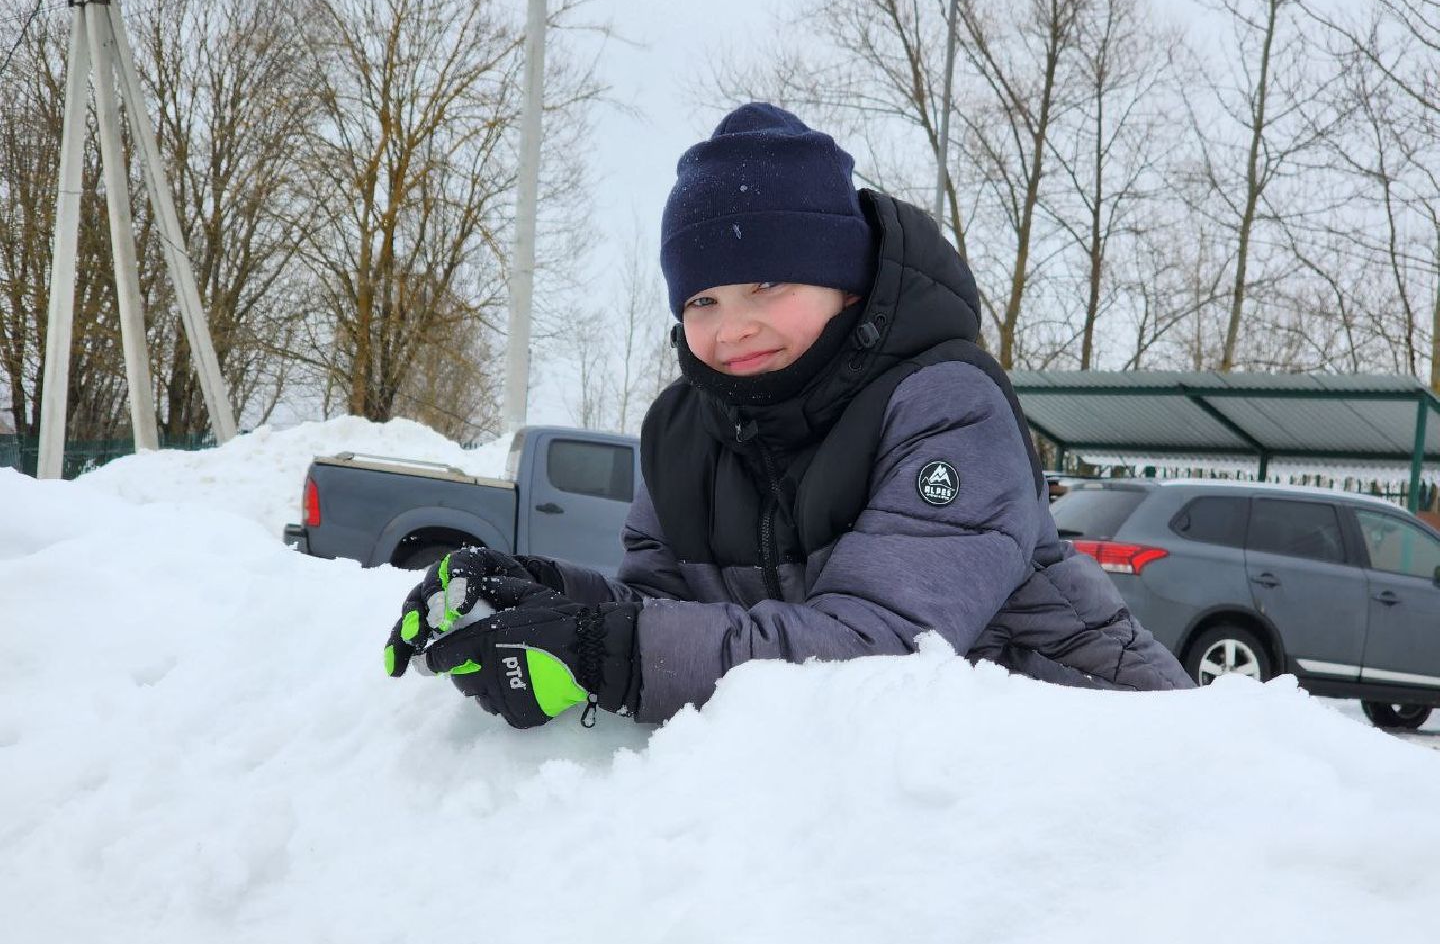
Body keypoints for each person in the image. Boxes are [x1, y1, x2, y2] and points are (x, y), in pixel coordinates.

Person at [384, 102, 1193, 728]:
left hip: (1103, 777)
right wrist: (544, 597)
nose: (731, 327)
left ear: (845, 282)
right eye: (702, 299)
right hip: (894, 810)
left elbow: (881, 649)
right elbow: (671, 623)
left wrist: (606, 652)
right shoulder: (683, 431)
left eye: (767, 285)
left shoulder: (947, 406)